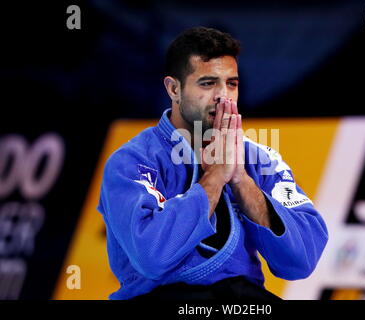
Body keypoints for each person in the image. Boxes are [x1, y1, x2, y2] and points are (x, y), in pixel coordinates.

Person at [97, 26, 328, 300]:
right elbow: (152, 256)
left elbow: (303, 260)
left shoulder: (260, 160)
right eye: (207, 83)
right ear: (174, 89)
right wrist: (216, 177)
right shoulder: (133, 161)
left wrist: (241, 180)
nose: (223, 96)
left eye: (232, 83)